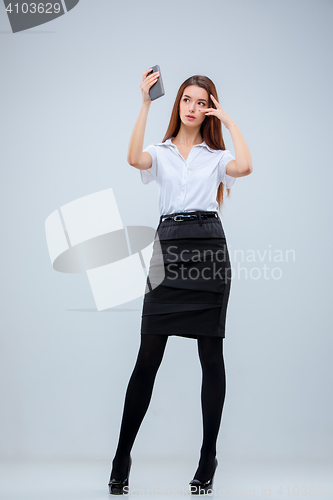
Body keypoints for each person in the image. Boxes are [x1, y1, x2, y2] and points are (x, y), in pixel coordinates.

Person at [108, 68, 253, 495]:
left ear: (210, 107)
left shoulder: (215, 156)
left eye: (202, 101)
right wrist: (145, 102)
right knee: (147, 357)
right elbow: (134, 159)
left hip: (209, 247)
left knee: (211, 354)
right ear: (179, 105)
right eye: (187, 100)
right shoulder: (161, 150)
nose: (193, 107)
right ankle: (122, 455)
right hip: (169, 247)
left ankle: (208, 455)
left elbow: (244, 166)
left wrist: (228, 120)